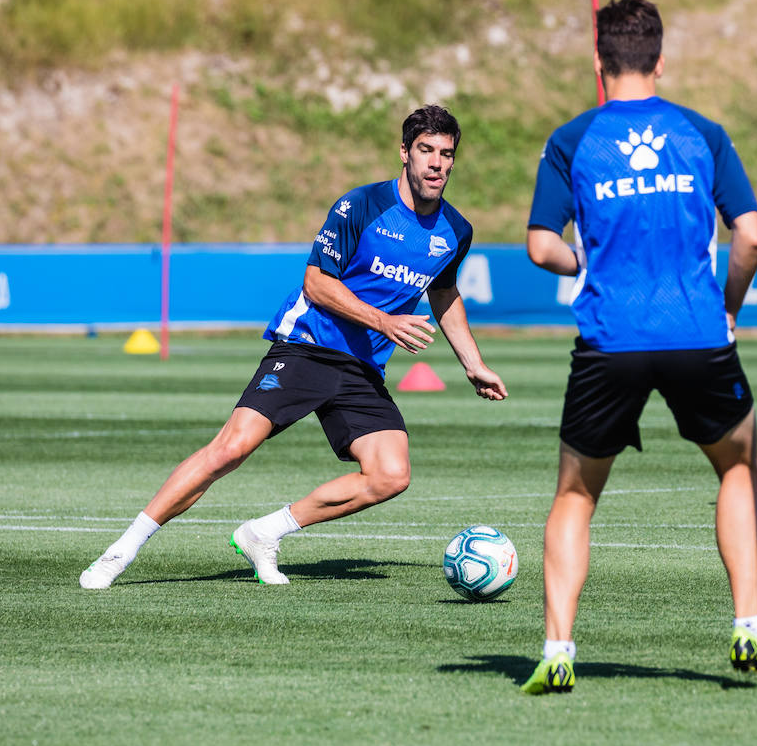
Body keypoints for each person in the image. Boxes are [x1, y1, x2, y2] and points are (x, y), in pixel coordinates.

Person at [79, 105, 508, 589]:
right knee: (231, 449)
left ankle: (265, 532)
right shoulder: (361, 206)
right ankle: (122, 550)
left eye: (446, 154)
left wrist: (475, 364)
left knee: (391, 474)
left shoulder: (456, 230)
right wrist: (383, 321)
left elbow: (444, 292)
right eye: (426, 151)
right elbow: (317, 283)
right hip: (306, 346)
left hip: (363, 367)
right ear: (404, 152)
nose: (436, 163)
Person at [520, 0, 757, 695]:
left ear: (599, 61)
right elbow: (753, 235)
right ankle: (748, 627)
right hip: (697, 332)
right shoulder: (702, 132)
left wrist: (581, 262)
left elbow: (540, 246)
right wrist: (726, 309)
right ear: (661, 59)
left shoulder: (573, 138)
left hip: (610, 337)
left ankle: (558, 649)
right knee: (738, 468)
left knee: (576, 495)